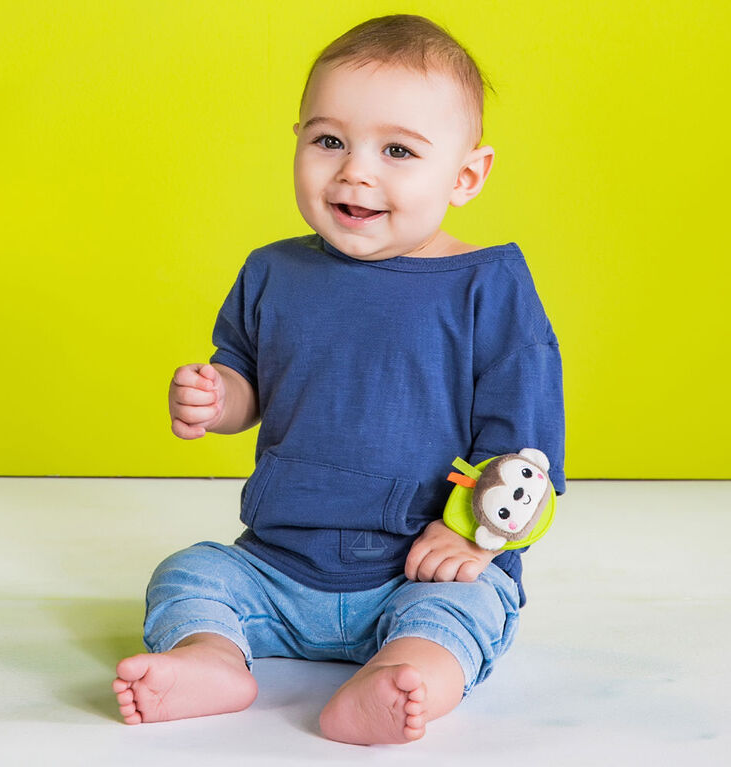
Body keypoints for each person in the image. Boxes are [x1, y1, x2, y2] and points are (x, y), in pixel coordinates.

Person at [112, 14, 565, 745]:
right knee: (191, 572)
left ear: (465, 174)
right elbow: (247, 379)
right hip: (278, 561)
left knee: (463, 611)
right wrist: (218, 396)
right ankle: (212, 656)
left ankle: (406, 674)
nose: (354, 171)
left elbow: (527, 440)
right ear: (296, 139)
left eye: (396, 150)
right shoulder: (272, 270)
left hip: (417, 565)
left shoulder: (488, 285)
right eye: (328, 141)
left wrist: (476, 543)